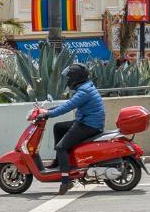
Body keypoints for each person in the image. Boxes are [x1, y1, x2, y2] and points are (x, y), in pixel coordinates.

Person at [39, 63, 105, 194]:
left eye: (69, 77)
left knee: (61, 147)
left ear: (76, 78)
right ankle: (58, 161)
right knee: (58, 127)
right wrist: (48, 110)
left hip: (89, 125)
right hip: (87, 121)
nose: (68, 80)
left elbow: (68, 107)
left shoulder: (84, 91)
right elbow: (69, 104)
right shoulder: (85, 87)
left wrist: (48, 114)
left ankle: (66, 180)